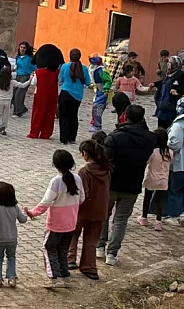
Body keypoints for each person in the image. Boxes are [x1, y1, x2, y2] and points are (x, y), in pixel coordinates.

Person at [98, 105, 157, 266]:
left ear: (125, 116)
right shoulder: (150, 138)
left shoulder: (115, 137)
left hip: (111, 183)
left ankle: (100, 246)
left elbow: (105, 160)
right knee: (121, 220)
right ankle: (112, 253)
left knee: (104, 215)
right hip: (133, 185)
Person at [25, 150, 84, 289]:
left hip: (56, 224)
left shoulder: (56, 181)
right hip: (71, 222)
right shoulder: (77, 179)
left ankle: (54, 277)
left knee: (49, 247)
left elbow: (45, 202)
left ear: (55, 164)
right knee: (63, 249)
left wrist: (32, 213)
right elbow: (82, 198)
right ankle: (64, 274)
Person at [68, 140, 112, 281]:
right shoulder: (107, 170)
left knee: (73, 234)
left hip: (84, 210)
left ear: (85, 154)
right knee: (91, 241)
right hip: (100, 211)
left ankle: (70, 259)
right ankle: (90, 267)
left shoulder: (85, 172)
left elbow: (81, 193)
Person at [28, 44, 64, 140]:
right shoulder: (56, 72)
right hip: (52, 94)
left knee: (38, 113)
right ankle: (46, 133)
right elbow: (60, 81)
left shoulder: (39, 72)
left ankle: (34, 132)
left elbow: (33, 83)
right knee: (49, 113)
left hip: (40, 94)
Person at [137, 129, 171, 231]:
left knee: (147, 198)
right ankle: (158, 222)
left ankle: (144, 217)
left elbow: (147, 162)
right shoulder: (170, 152)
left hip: (152, 178)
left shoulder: (153, 152)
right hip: (164, 179)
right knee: (160, 201)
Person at [57, 49, 91, 145]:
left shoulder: (64, 66)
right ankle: (72, 137)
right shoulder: (84, 68)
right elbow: (88, 82)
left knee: (63, 116)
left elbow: (60, 79)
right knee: (73, 116)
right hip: (77, 95)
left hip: (65, 93)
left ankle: (64, 138)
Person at [0, 67, 31, 135]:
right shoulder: (12, 82)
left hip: (0, 101)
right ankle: (3, 129)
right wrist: (29, 80)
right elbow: (22, 85)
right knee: (5, 116)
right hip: (8, 101)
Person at [165, 99, 184, 225]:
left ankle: (173, 214)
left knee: (175, 189)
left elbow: (175, 144)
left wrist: (166, 144)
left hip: (180, 162)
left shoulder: (179, 124)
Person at [153, 56, 184, 129]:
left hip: (172, 105)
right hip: (163, 103)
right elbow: (163, 82)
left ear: (175, 64)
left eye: (170, 63)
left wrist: (177, 93)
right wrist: (154, 84)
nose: (168, 65)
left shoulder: (181, 75)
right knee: (160, 126)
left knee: (169, 126)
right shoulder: (168, 74)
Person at [88, 55, 112, 133]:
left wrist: (106, 90)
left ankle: (97, 125)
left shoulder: (102, 71)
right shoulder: (98, 70)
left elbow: (108, 81)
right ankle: (95, 123)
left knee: (97, 108)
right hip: (99, 92)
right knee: (97, 108)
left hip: (103, 92)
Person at [12, 41, 36, 117]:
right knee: (13, 94)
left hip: (25, 76)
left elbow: (34, 67)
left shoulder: (29, 59)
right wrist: (13, 69)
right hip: (18, 76)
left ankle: (18, 112)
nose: (22, 49)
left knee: (19, 94)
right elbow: (17, 65)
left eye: (24, 48)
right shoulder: (17, 57)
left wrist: (32, 74)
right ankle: (22, 108)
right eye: (21, 47)